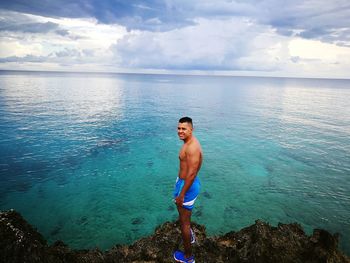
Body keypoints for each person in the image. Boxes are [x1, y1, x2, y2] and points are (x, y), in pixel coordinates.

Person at [173, 117, 202, 263]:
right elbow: (197, 167)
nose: (180, 131)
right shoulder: (189, 143)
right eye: (179, 128)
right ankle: (189, 235)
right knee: (183, 216)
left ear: (191, 129)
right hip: (184, 183)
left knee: (184, 223)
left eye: (184, 128)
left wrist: (182, 194)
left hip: (187, 187)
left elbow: (192, 173)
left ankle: (188, 257)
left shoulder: (192, 147)